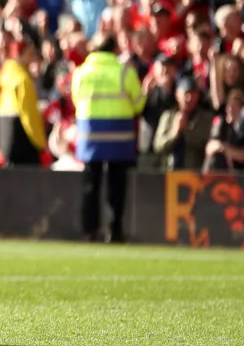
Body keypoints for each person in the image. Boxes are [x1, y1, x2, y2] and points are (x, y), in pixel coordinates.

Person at [71, 36, 145, 243]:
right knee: (116, 185)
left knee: (90, 185)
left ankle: (90, 230)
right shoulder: (125, 72)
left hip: (90, 135)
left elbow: (76, 100)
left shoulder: (80, 73)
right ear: (114, 50)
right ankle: (115, 231)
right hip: (119, 134)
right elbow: (138, 104)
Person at [0, 39, 47, 166]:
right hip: (23, 144)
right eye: (30, 54)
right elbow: (29, 116)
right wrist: (41, 142)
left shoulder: (5, 75)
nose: (34, 57)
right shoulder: (23, 80)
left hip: (6, 141)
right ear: (20, 55)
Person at [154, 78, 215, 171]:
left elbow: (207, 144)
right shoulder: (168, 116)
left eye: (193, 94)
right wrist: (175, 133)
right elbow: (158, 146)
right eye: (186, 94)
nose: (189, 98)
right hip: (169, 174)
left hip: (194, 174)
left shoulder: (205, 118)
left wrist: (187, 131)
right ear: (177, 94)